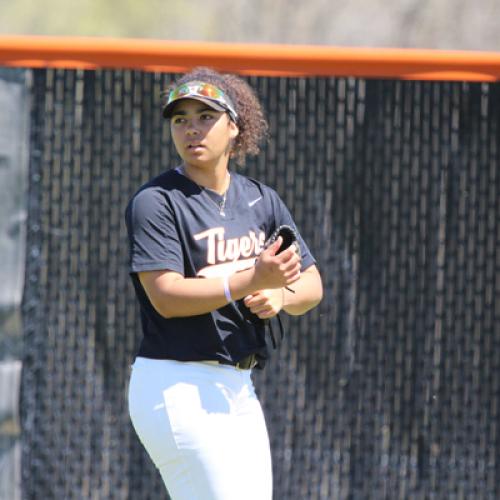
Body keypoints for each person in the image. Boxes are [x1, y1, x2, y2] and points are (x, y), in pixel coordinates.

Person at [125, 67, 323, 500]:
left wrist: (278, 293)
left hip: (238, 387)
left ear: (234, 127)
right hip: (177, 384)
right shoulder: (157, 202)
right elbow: (166, 297)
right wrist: (252, 278)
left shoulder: (261, 200)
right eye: (180, 119)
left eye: (205, 116)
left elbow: (311, 285)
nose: (191, 128)